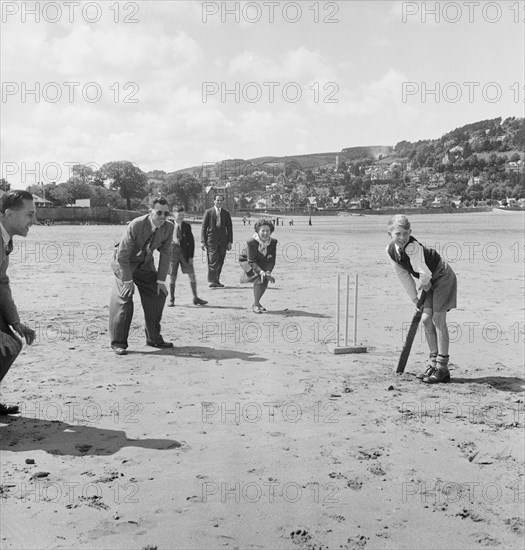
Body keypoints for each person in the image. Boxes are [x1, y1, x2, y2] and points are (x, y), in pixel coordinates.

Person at [386, 215, 457, 383]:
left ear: (410, 232)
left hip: (442, 276)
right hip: (429, 281)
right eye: (398, 234)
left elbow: (424, 273)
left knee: (438, 318)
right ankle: (433, 363)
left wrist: (424, 285)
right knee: (426, 319)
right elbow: (404, 276)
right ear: (389, 234)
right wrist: (415, 299)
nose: (402, 238)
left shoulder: (413, 248)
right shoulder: (390, 251)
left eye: (406, 233)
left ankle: (443, 368)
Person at [109, 196, 174, 355]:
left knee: (158, 294)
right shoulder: (136, 225)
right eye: (159, 213)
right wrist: (128, 281)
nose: (162, 217)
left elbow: (165, 254)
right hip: (124, 263)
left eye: (166, 214)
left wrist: (160, 280)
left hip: (145, 264)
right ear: (150, 211)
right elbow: (122, 256)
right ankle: (119, 343)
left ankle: (153, 338)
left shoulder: (169, 227)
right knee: (125, 298)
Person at [0, 191, 37, 414]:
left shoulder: (4, 239)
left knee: (11, 346)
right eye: (30, 214)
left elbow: (2, 283)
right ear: (9, 214)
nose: (34, 221)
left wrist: (14, 322)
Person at [168, 205, 207, 307]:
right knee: (173, 277)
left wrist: (191, 257)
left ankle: (195, 297)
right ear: (173, 214)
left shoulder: (187, 226)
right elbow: (161, 241)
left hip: (184, 254)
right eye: (178, 214)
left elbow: (191, 242)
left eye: (182, 215)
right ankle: (172, 299)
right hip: (172, 254)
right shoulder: (168, 225)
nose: (181, 217)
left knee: (192, 275)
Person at [239, 219, 277, 314]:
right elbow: (251, 260)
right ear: (258, 231)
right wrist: (262, 272)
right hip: (248, 260)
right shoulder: (251, 242)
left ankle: (256, 302)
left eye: (267, 231)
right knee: (259, 278)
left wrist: (268, 272)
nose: (265, 233)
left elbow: (272, 260)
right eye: (262, 231)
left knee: (265, 280)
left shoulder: (273, 242)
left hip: (262, 260)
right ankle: (255, 305)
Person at [201, 194, 233, 288]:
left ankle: (216, 280)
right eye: (217, 200)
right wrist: (203, 241)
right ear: (214, 201)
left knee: (220, 261)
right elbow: (204, 227)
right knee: (212, 261)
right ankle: (212, 281)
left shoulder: (226, 213)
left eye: (221, 200)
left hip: (223, 241)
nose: (219, 202)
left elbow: (229, 228)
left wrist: (230, 241)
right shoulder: (208, 212)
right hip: (211, 241)